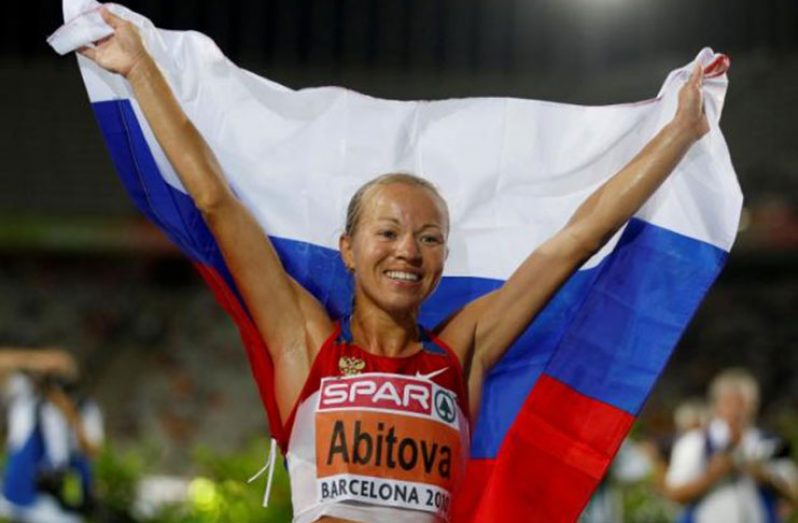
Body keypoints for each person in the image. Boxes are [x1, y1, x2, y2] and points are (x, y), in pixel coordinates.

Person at [79, 7, 711, 523]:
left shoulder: (464, 351)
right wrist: (140, 70)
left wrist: (679, 134)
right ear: (348, 250)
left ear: (443, 258)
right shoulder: (304, 342)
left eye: (429, 237)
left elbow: (574, 240)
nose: (408, 249)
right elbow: (215, 201)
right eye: (388, 231)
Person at [664, 368, 798, 523]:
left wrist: (765, 476)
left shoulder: (769, 443)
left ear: (755, 406)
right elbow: (674, 494)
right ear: (716, 406)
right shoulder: (695, 443)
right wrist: (712, 475)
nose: (736, 411)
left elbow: (794, 495)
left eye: (743, 403)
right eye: (730, 403)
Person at [0, 349, 104, 523]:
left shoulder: (84, 407)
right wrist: (34, 360)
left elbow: (93, 451)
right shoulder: (26, 399)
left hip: (56, 493)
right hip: (19, 488)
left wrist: (71, 417)